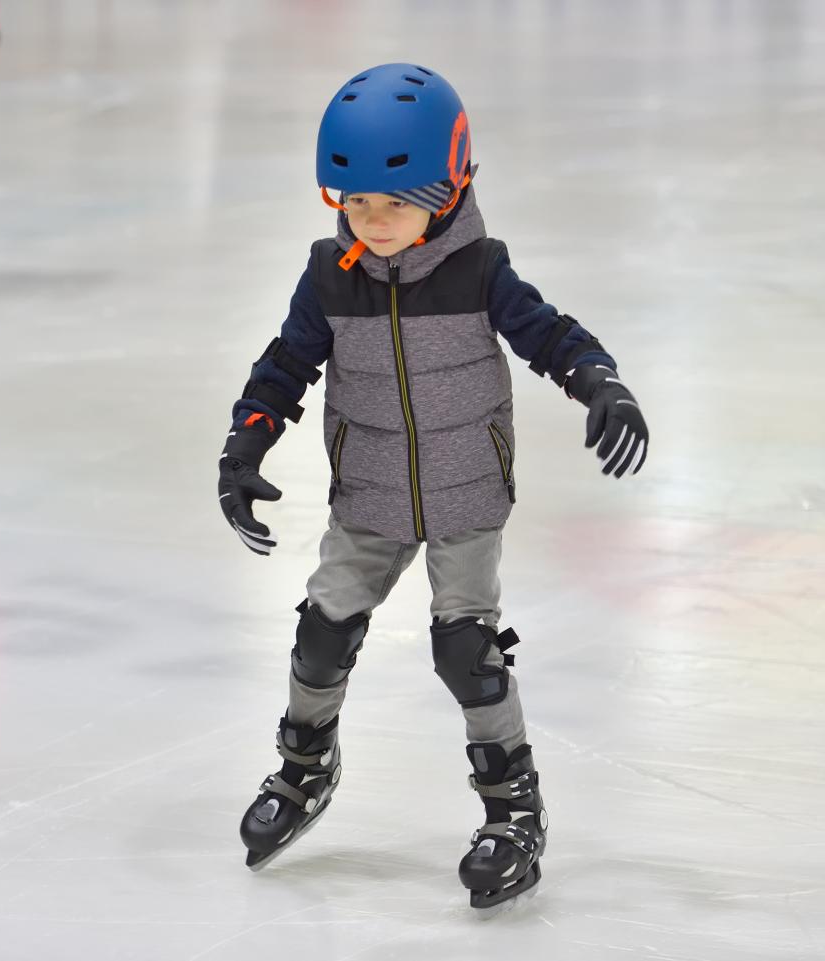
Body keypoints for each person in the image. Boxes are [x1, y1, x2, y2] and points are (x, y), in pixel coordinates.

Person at [217, 63, 650, 911]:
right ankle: (305, 765)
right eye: (353, 203)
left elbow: (548, 335)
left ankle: (511, 807)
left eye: (395, 203)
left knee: (467, 652)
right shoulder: (329, 275)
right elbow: (284, 367)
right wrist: (244, 446)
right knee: (320, 635)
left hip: (464, 493)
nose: (373, 223)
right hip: (370, 492)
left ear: (448, 190)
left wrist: (602, 382)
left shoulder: (479, 270)